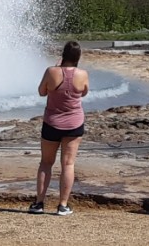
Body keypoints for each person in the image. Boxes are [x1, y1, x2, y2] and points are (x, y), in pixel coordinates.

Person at [33, 40, 89, 216]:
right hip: (74, 123)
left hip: (52, 122)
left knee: (45, 163)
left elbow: (42, 92)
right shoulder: (83, 74)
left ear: (63, 54)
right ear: (78, 57)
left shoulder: (51, 71)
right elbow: (84, 92)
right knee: (68, 164)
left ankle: (39, 203)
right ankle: (63, 205)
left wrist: (57, 68)